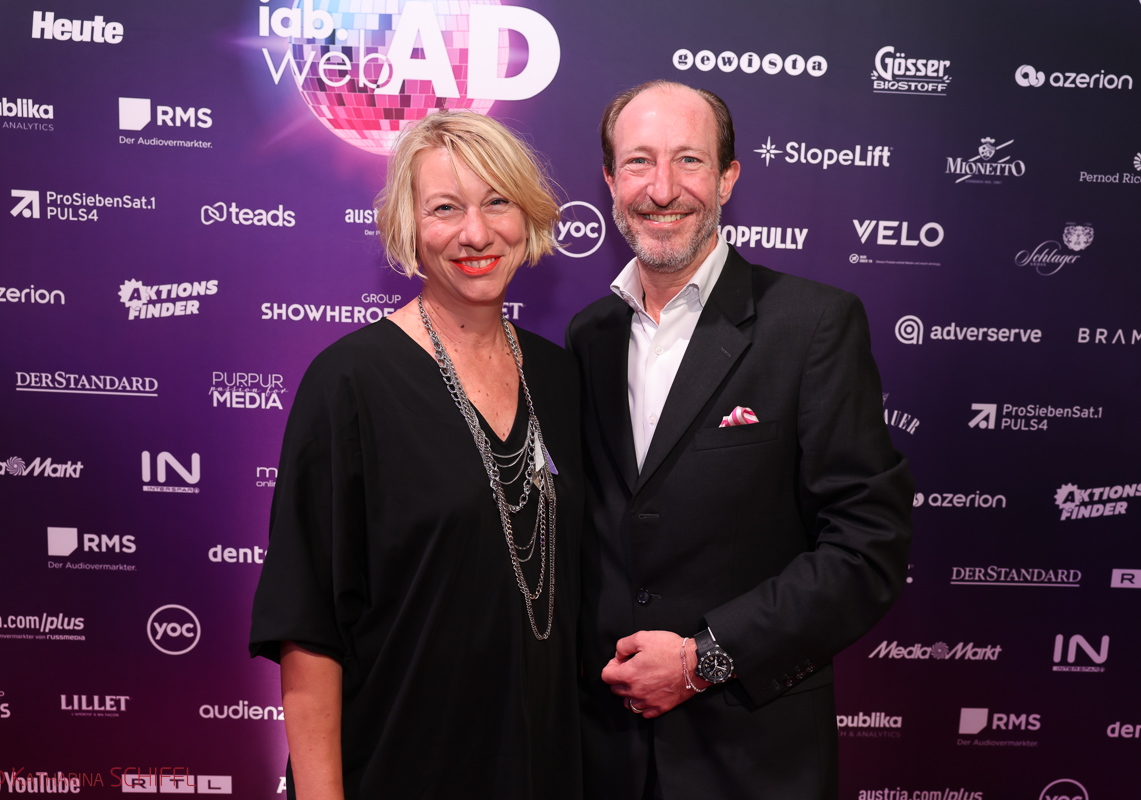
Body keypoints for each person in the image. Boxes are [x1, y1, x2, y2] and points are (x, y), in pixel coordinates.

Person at [566, 80, 914, 799]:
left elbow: (867, 548)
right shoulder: (587, 336)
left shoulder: (812, 326)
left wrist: (703, 660)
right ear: (610, 180)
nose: (663, 189)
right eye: (638, 162)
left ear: (727, 178)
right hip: (602, 756)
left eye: (689, 160)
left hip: (752, 759)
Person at [250, 110, 583, 800]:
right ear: (409, 227)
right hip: (400, 766)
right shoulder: (350, 383)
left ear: (528, 215)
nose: (475, 233)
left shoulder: (561, 379)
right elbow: (307, 627)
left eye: (497, 201)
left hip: (542, 769)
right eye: (445, 208)